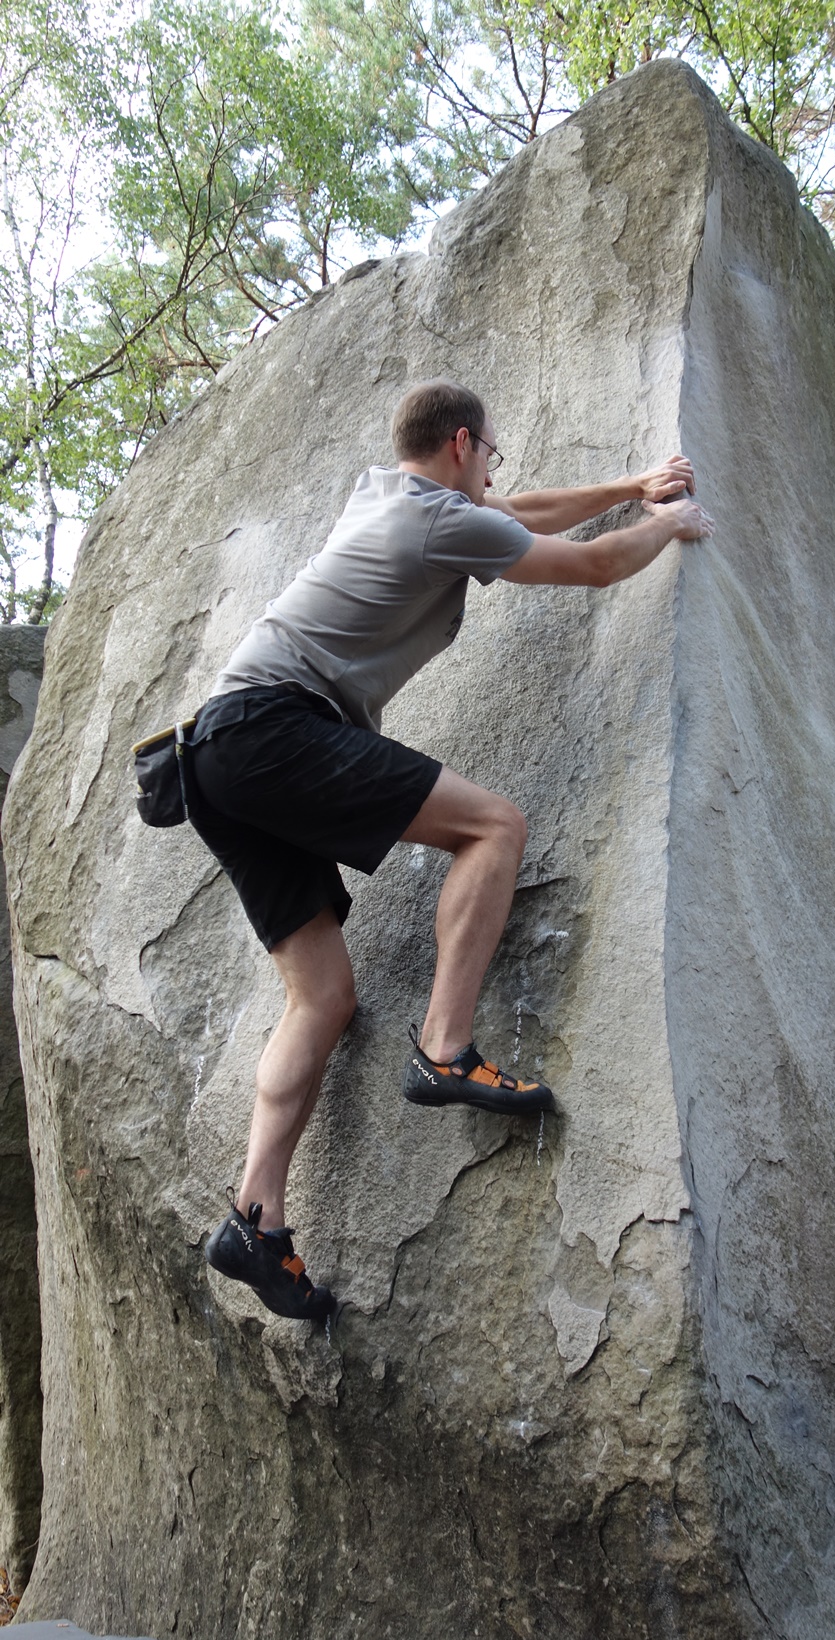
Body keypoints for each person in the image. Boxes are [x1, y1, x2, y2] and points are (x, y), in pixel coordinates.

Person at [198, 379, 713, 1321]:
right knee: (495, 827)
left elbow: (515, 513)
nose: (494, 474)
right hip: (275, 728)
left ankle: (255, 1219)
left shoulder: (389, 496)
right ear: (465, 444)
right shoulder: (439, 519)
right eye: (492, 455)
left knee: (322, 998)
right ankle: (445, 1050)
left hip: (216, 755)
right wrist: (671, 526)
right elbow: (588, 569)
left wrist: (633, 487)